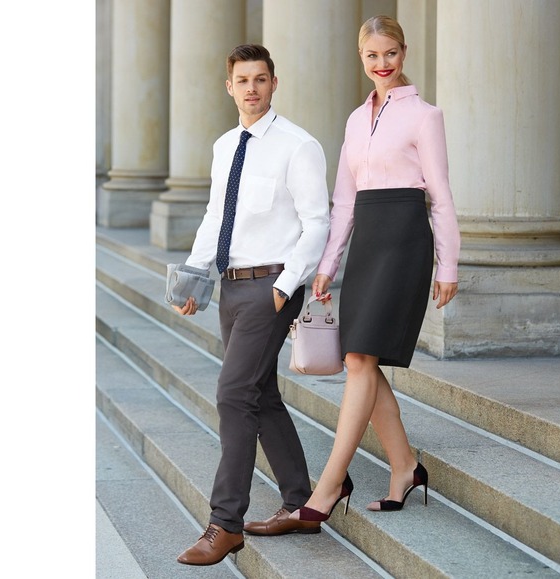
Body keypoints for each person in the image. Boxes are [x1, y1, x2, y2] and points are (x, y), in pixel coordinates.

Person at [284, 15, 460, 529]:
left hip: (406, 240)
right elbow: (344, 202)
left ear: (404, 53)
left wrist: (448, 263)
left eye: (391, 53)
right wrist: (327, 264)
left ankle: (327, 487)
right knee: (359, 358)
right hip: (366, 245)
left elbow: (441, 196)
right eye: (372, 56)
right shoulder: (355, 121)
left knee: (360, 357)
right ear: (361, 59)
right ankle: (404, 467)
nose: (382, 64)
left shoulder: (426, 116)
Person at [174, 44, 331, 566]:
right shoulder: (225, 146)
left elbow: (318, 223)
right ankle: (301, 502)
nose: (252, 89)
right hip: (231, 287)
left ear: (273, 83)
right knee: (260, 395)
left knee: (233, 394)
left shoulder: (298, 145)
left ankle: (225, 524)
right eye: (242, 80)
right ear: (229, 87)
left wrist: (287, 286)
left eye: (260, 79)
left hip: (271, 288)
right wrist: (194, 278)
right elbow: (216, 216)